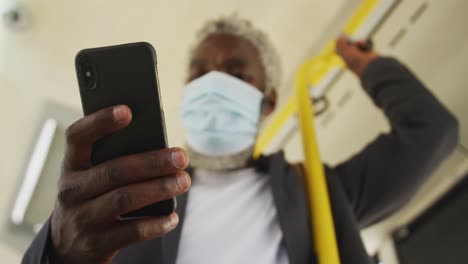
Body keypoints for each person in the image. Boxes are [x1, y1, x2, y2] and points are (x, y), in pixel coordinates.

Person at [23, 15, 459, 264]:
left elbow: (430, 132)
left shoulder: (319, 194)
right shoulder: (134, 200)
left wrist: (363, 63)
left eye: (235, 72)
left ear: (266, 101)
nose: (212, 83)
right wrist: (58, 251)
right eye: (199, 72)